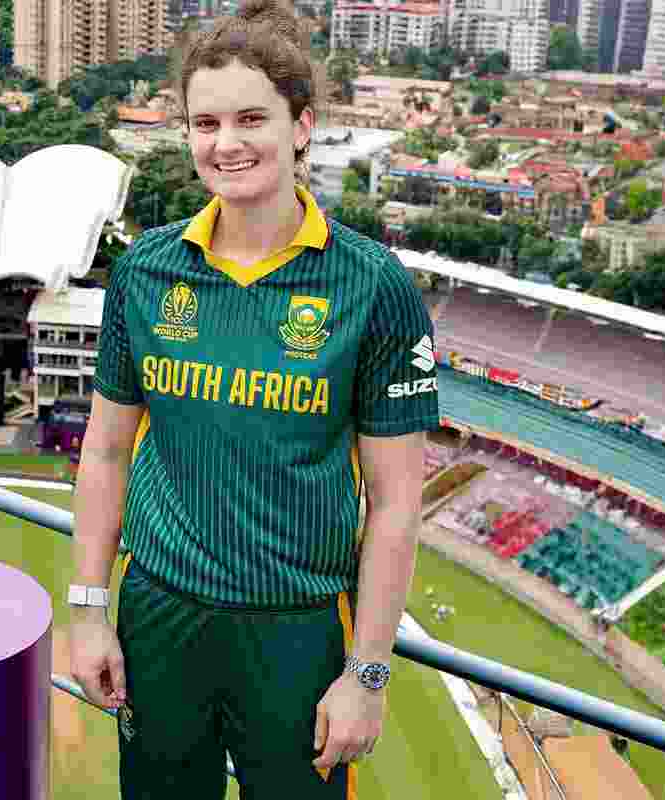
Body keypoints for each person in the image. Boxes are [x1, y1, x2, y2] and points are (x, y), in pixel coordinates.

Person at [67, 1, 439, 797]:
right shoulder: (147, 270)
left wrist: (367, 675)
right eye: (205, 123)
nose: (225, 143)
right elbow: (105, 450)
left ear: (301, 127)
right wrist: (90, 610)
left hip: (297, 630)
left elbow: (397, 504)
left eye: (250, 119)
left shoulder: (372, 285)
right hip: (160, 616)